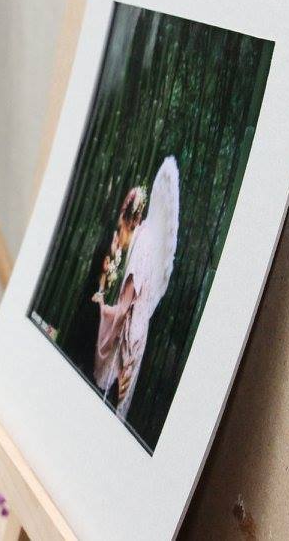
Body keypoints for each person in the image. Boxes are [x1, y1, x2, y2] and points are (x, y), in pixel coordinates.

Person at [92, 156, 180, 420]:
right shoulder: (147, 239)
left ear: (131, 219)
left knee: (109, 399)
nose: (120, 231)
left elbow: (124, 307)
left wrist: (103, 308)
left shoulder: (141, 244)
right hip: (139, 331)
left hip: (129, 338)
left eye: (122, 223)